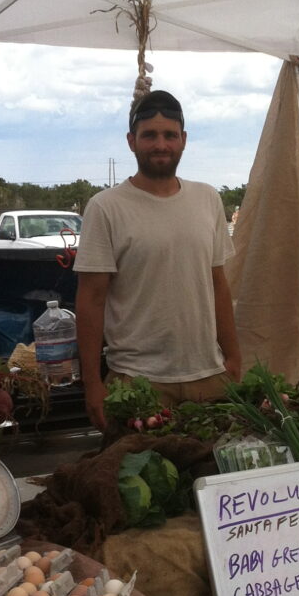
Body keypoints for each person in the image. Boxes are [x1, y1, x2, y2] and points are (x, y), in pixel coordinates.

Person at [74, 89, 242, 430]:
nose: (160, 145)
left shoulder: (207, 198)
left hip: (208, 377)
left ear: (184, 140)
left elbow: (218, 285)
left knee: (213, 476)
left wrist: (234, 355)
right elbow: (91, 300)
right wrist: (93, 383)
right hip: (137, 382)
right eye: (149, 135)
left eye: (170, 135)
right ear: (131, 141)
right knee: (138, 478)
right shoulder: (106, 207)